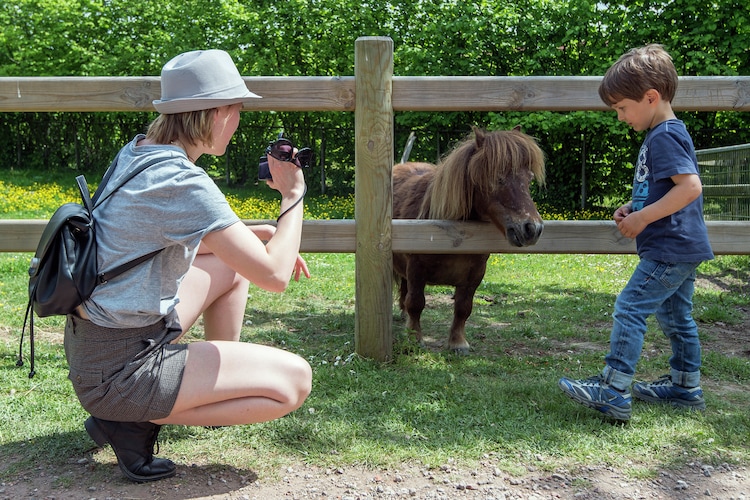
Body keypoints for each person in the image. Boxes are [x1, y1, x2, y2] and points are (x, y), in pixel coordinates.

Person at [64, 49, 313, 482]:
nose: (237, 122)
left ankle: (193, 388)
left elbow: (148, 243)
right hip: (122, 370)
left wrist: (254, 237)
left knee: (232, 266)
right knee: (294, 382)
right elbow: (274, 276)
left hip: (96, 347)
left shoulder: (140, 152)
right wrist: (292, 197)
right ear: (217, 114)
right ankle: (131, 418)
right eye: (236, 109)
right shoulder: (183, 181)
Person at [558, 44, 714, 422]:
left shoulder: (663, 136)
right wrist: (635, 208)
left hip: (669, 246)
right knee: (677, 318)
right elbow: (666, 189)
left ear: (650, 97)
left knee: (630, 307)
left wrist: (643, 221)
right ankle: (684, 387)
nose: (620, 117)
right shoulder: (664, 133)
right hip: (681, 244)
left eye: (622, 108)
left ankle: (613, 389)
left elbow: (690, 188)